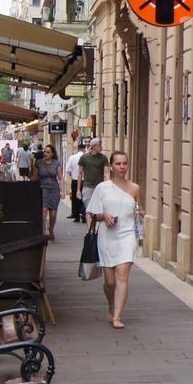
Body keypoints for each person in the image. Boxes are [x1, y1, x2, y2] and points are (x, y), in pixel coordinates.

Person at [87, 151, 143, 330]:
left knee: (122, 275)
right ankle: (111, 305)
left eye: (125, 163)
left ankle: (117, 316)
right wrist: (103, 215)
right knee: (109, 281)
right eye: (118, 164)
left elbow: (136, 212)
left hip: (127, 235)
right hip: (106, 236)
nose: (122, 167)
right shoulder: (102, 188)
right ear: (111, 166)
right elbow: (92, 213)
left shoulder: (135, 188)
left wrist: (140, 214)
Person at [32, 144, 62, 240]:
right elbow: (35, 177)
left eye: (48, 152)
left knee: (53, 214)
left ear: (52, 154)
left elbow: (61, 178)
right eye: (44, 151)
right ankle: (43, 232)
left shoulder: (56, 163)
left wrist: (63, 191)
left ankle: (51, 229)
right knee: (43, 211)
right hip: (42, 188)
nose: (45, 154)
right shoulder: (39, 163)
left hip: (54, 189)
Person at [79, 138, 109, 219]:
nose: (101, 147)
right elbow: (80, 174)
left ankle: (93, 229)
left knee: (97, 210)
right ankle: (90, 230)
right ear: (94, 146)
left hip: (99, 188)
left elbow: (106, 172)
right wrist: (78, 190)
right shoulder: (84, 158)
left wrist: (108, 185)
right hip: (87, 187)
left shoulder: (103, 158)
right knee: (89, 210)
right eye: (100, 145)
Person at [66, 141, 85, 223]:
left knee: (75, 197)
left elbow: (68, 170)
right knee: (84, 198)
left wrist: (72, 174)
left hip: (75, 180)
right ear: (84, 149)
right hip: (85, 181)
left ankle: (76, 215)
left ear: (77, 148)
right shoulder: (86, 157)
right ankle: (84, 215)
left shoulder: (72, 157)